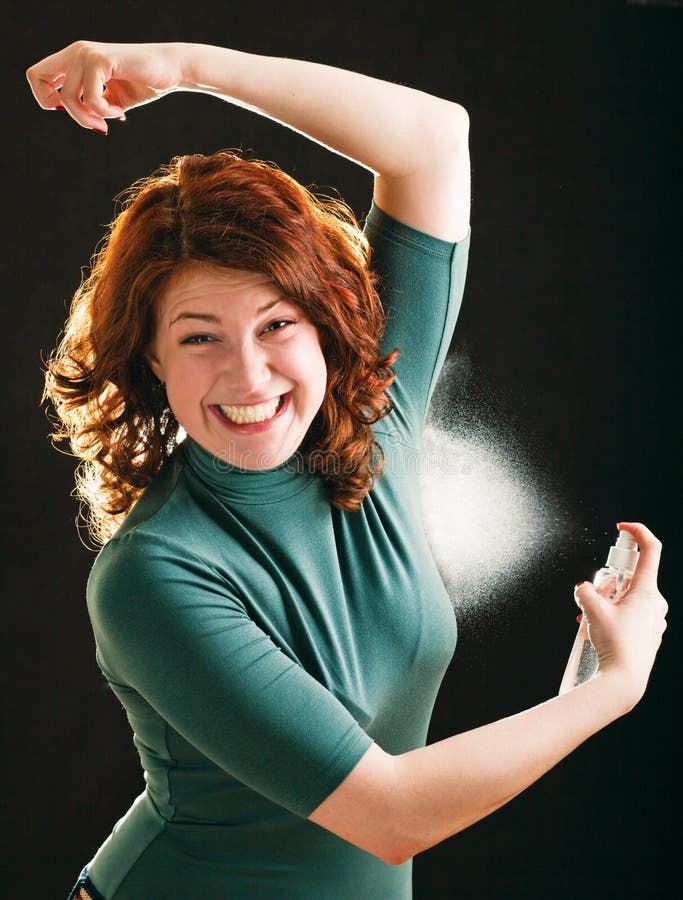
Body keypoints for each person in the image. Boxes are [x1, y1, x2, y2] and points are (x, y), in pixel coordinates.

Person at [27, 40, 668, 900]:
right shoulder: (150, 576)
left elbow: (434, 139)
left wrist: (184, 65)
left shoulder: (376, 421)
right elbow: (388, 814)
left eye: (277, 324)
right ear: (150, 361)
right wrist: (609, 692)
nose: (248, 376)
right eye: (199, 336)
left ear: (327, 325)